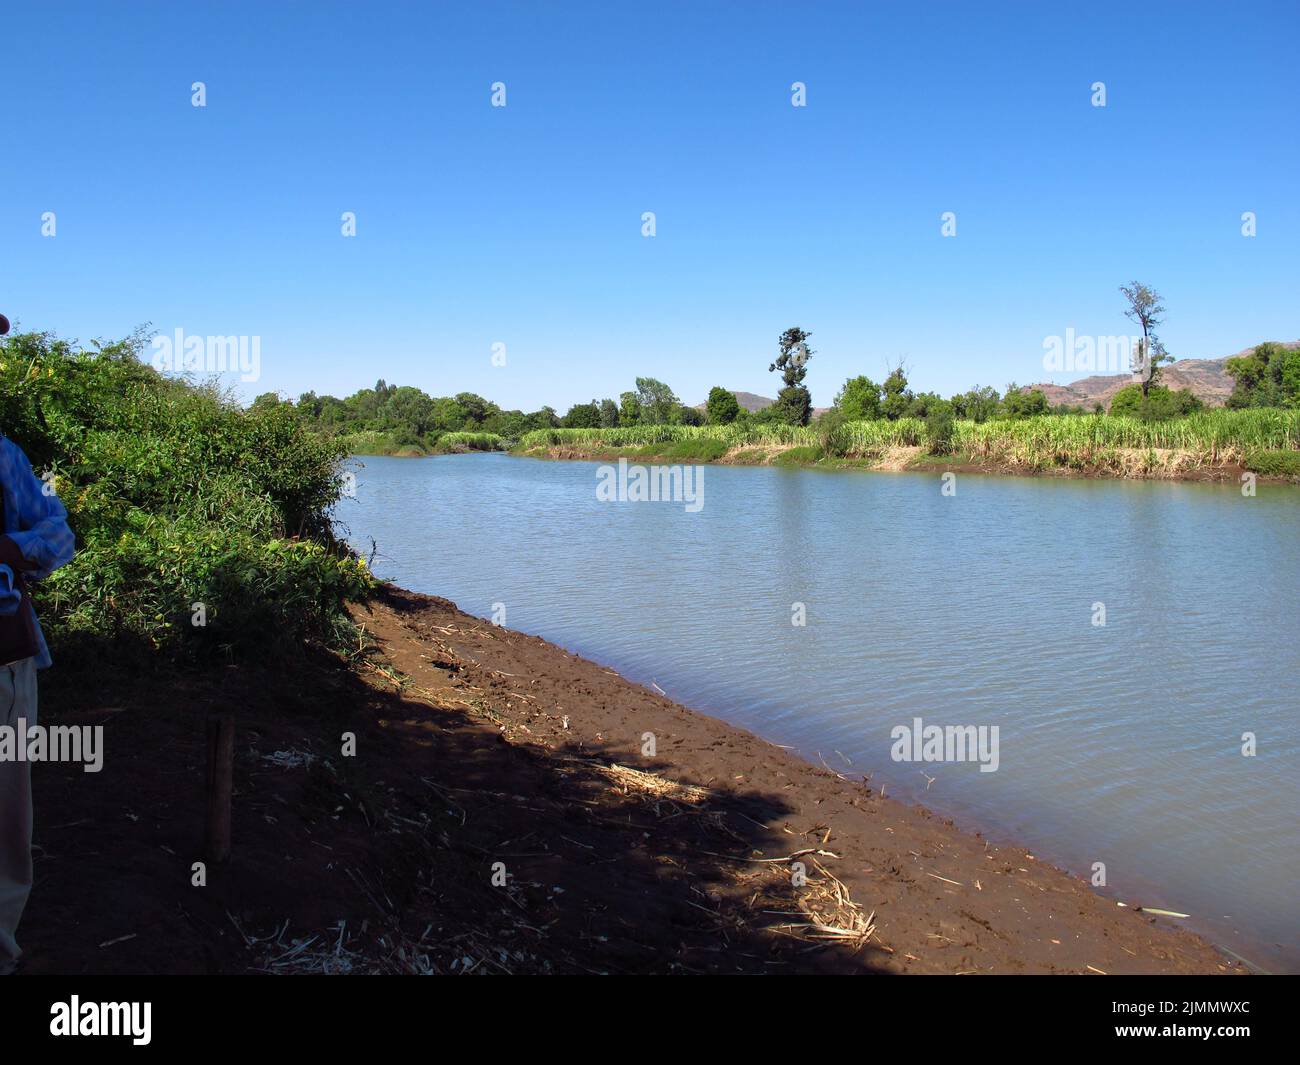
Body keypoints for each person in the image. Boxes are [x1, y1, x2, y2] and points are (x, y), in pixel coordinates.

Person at [0, 314, 76, 974]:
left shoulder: (4, 456)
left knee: (8, 814)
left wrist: (12, 547)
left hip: (6, 660)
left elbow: (58, 533)